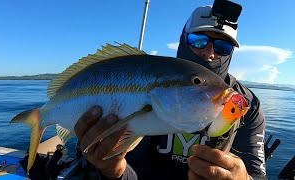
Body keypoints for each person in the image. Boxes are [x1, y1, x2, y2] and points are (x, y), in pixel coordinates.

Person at [74, 5, 267, 180]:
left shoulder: (248, 105)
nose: (209, 53)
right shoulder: (152, 81)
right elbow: (127, 171)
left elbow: (257, 176)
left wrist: (243, 179)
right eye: (199, 40)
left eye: (223, 47)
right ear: (183, 39)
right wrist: (113, 169)